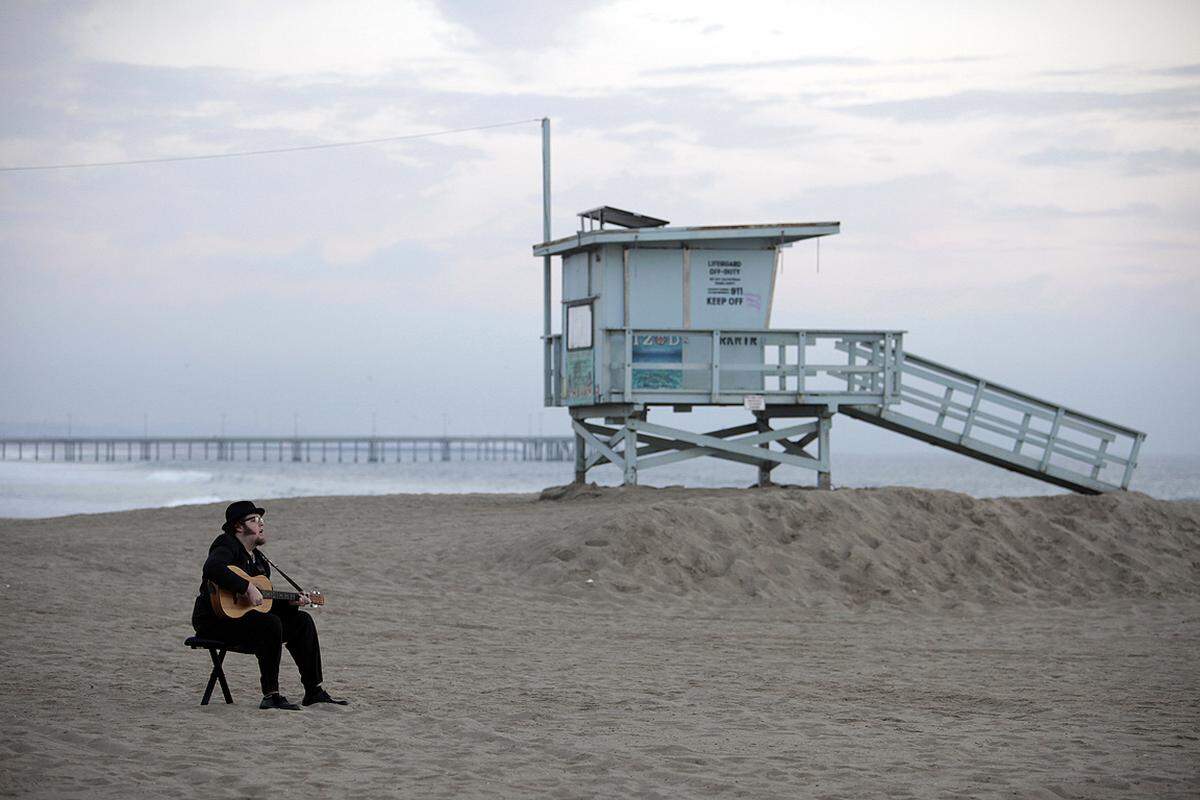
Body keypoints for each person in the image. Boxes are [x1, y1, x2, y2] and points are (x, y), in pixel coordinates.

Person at [192, 500, 348, 710]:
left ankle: (313, 691)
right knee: (269, 624)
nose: (262, 524)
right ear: (239, 526)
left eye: (262, 519)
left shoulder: (260, 561)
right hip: (215, 621)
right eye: (254, 520)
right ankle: (271, 695)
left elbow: (262, 605)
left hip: (244, 620)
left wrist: (292, 603)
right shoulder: (226, 545)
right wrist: (245, 587)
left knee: (302, 621)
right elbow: (212, 568)